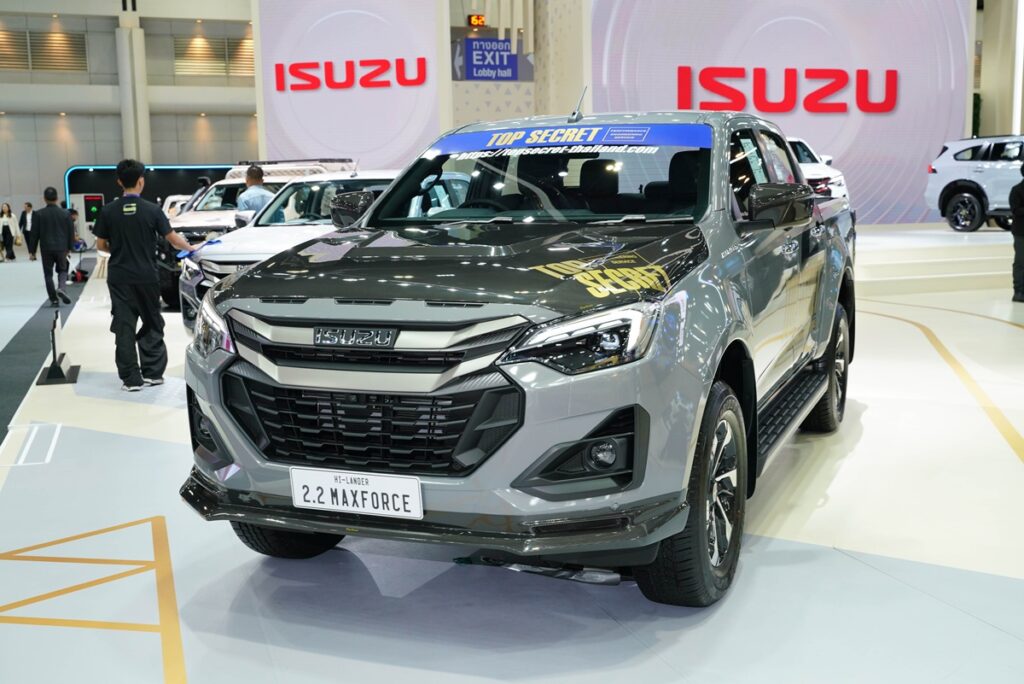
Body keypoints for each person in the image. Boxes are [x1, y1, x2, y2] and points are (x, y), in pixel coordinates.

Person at [93, 159, 195, 392]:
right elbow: (173, 239)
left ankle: (131, 379)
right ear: (141, 181)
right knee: (152, 322)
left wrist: (118, 250)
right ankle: (153, 373)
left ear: (119, 182)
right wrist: (192, 248)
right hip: (147, 276)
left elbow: (101, 245)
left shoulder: (108, 211)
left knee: (124, 326)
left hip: (119, 278)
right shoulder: (152, 210)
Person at [34, 187, 75, 307]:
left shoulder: (38, 213)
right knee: (62, 270)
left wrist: (32, 251)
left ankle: (54, 299)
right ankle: (62, 288)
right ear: (57, 198)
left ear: (44, 199)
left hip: (46, 248)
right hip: (62, 247)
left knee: (48, 274)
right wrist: (70, 247)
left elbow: (34, 234)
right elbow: (70, 232)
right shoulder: (66, 213)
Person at [1009, 166, 1024, 303]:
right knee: (1020, 261)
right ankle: (1019, 291)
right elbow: (1015, 210)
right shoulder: (1017, 190)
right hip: (1021, 232)